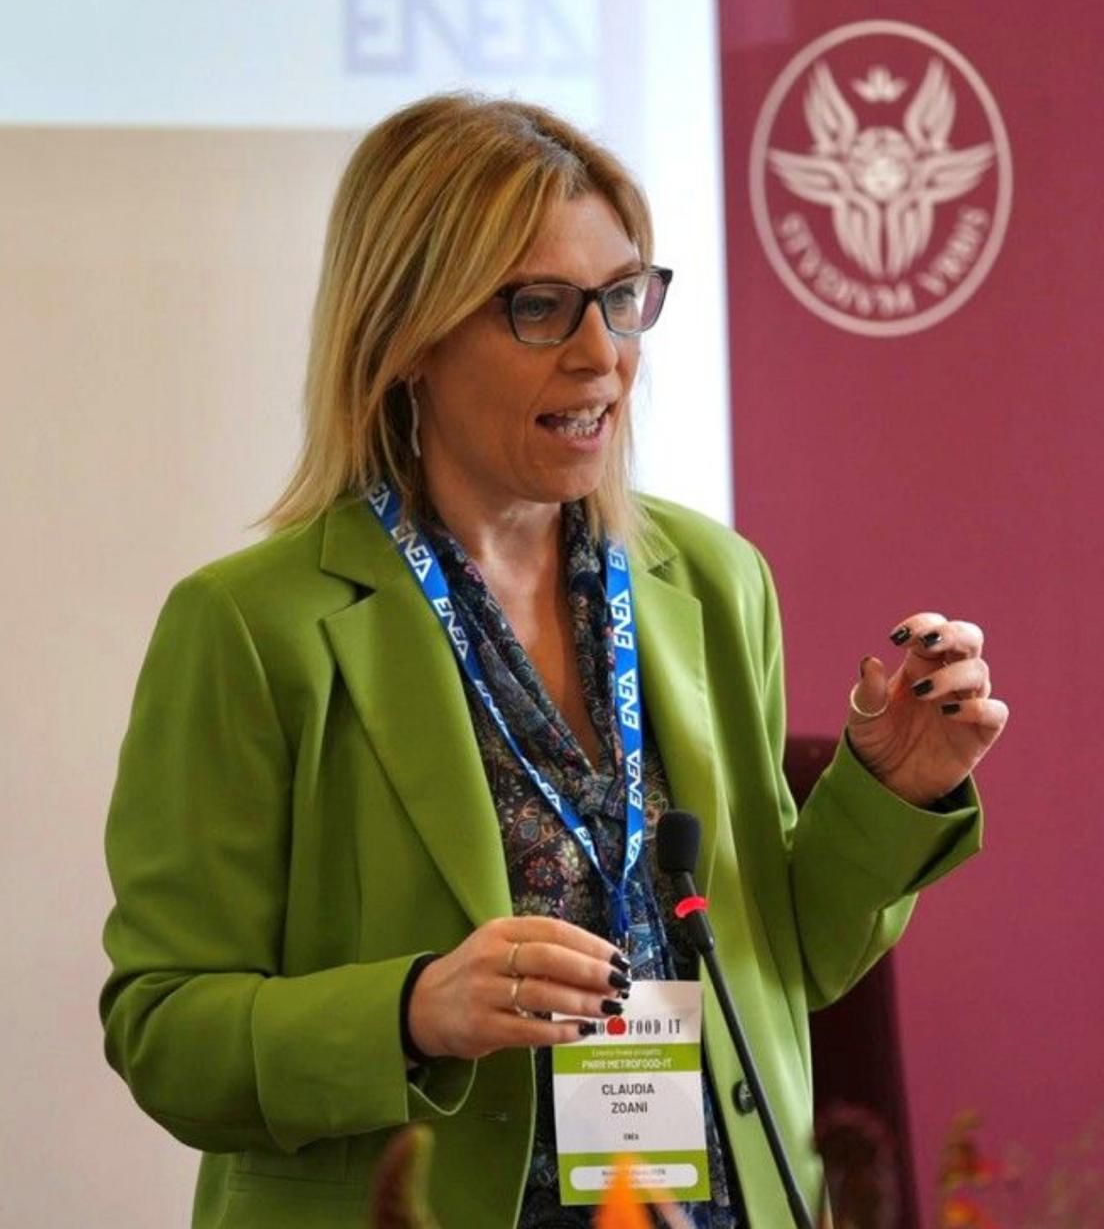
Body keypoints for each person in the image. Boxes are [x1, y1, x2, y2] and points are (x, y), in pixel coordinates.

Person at [100, 93, 1007, 1229]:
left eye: (622, 298)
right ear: (408, 337)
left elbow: (784, 966)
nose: (601, 356)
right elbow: (164, 1029)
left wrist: (889, 791)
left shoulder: (713, 580)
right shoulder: (251, 625)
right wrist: (414, 1009)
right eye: (538, 307)